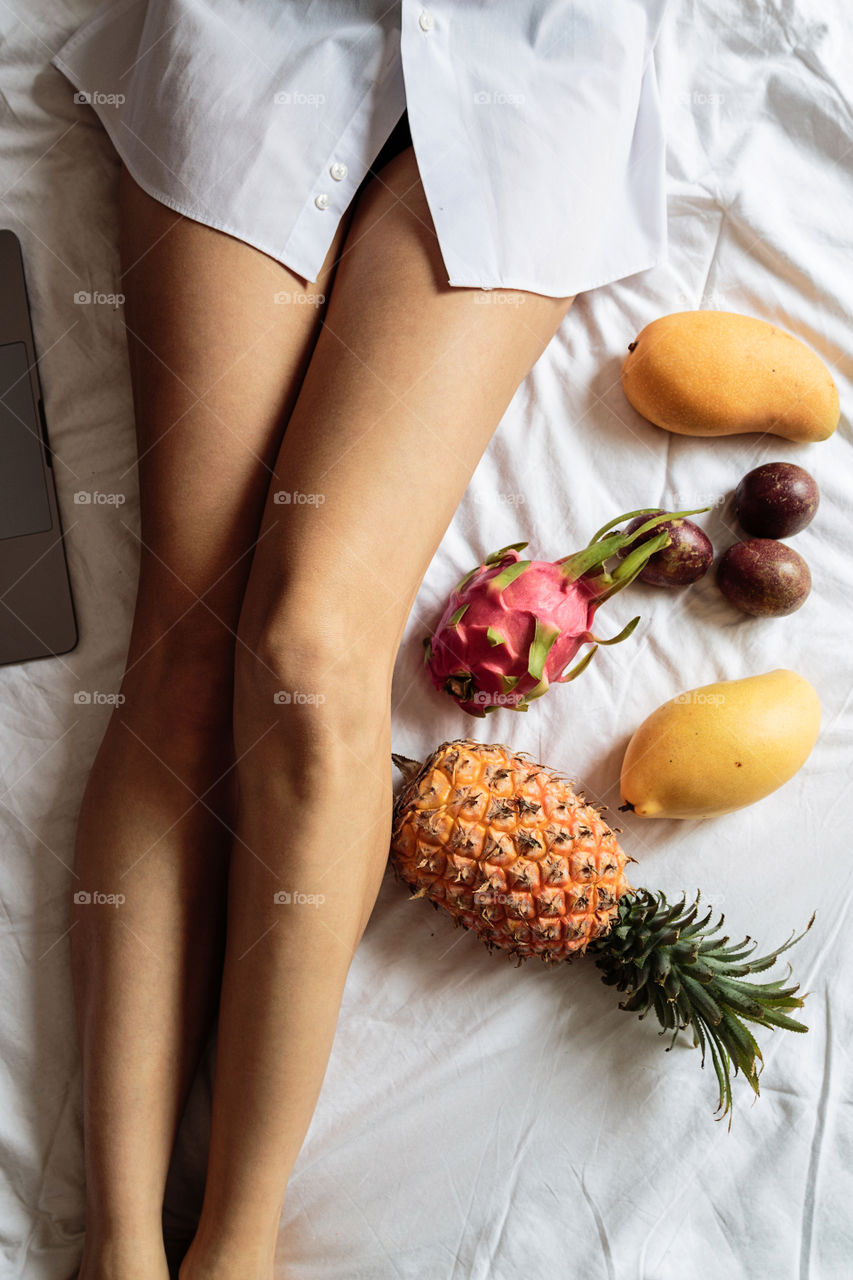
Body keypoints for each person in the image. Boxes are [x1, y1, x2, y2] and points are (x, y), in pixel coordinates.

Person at [49, 2, 671, 1276]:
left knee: (311, 647)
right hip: (255, 32)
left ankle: (240, 1237)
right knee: (184, 641)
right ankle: (114, 1238)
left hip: (534, 58)